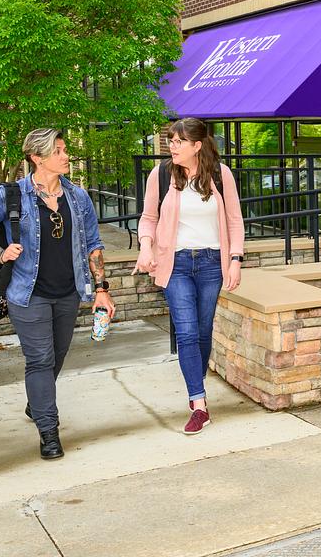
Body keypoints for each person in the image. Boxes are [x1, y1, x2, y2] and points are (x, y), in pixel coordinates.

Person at [0, 129, 109, 460]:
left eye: (65, 149)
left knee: (55, 357)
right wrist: (0, 252)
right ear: (37, 157)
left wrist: (101, 289)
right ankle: (49, 431)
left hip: (69, 292)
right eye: (58, 151)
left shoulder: (78, 197)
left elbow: (94, 246)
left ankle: (36, 401)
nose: (66, 155)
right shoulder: (11, 195)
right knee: (40, 359)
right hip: (27, 293)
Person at [136, 118, 245, 433]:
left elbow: (235, 221)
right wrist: (146, 247)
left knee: (202, 331)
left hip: (213, 263)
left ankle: (194, 382)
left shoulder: (221, 176)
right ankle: (199, 403)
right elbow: (148, 218)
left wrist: (235, 260)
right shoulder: (160, 176)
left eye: (179, 141)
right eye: (170, 140)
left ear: (197, 145)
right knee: (185, 333)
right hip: (176, 264)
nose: (172, 146)